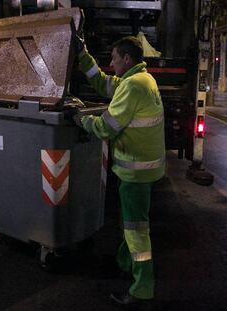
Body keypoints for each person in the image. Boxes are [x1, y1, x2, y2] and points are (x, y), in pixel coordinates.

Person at [74, 35, 165, 308]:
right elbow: (103, 82)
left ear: (127, 59)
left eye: (114, 59)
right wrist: (82, 54)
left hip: (136, 172)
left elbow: (105, 128)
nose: (111, 64)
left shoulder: (133, 86)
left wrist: (81, 118)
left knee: (137, 232)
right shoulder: (139, 79)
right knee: (132, 223)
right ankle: (123, 264)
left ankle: (141, 290)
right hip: (145, 169)